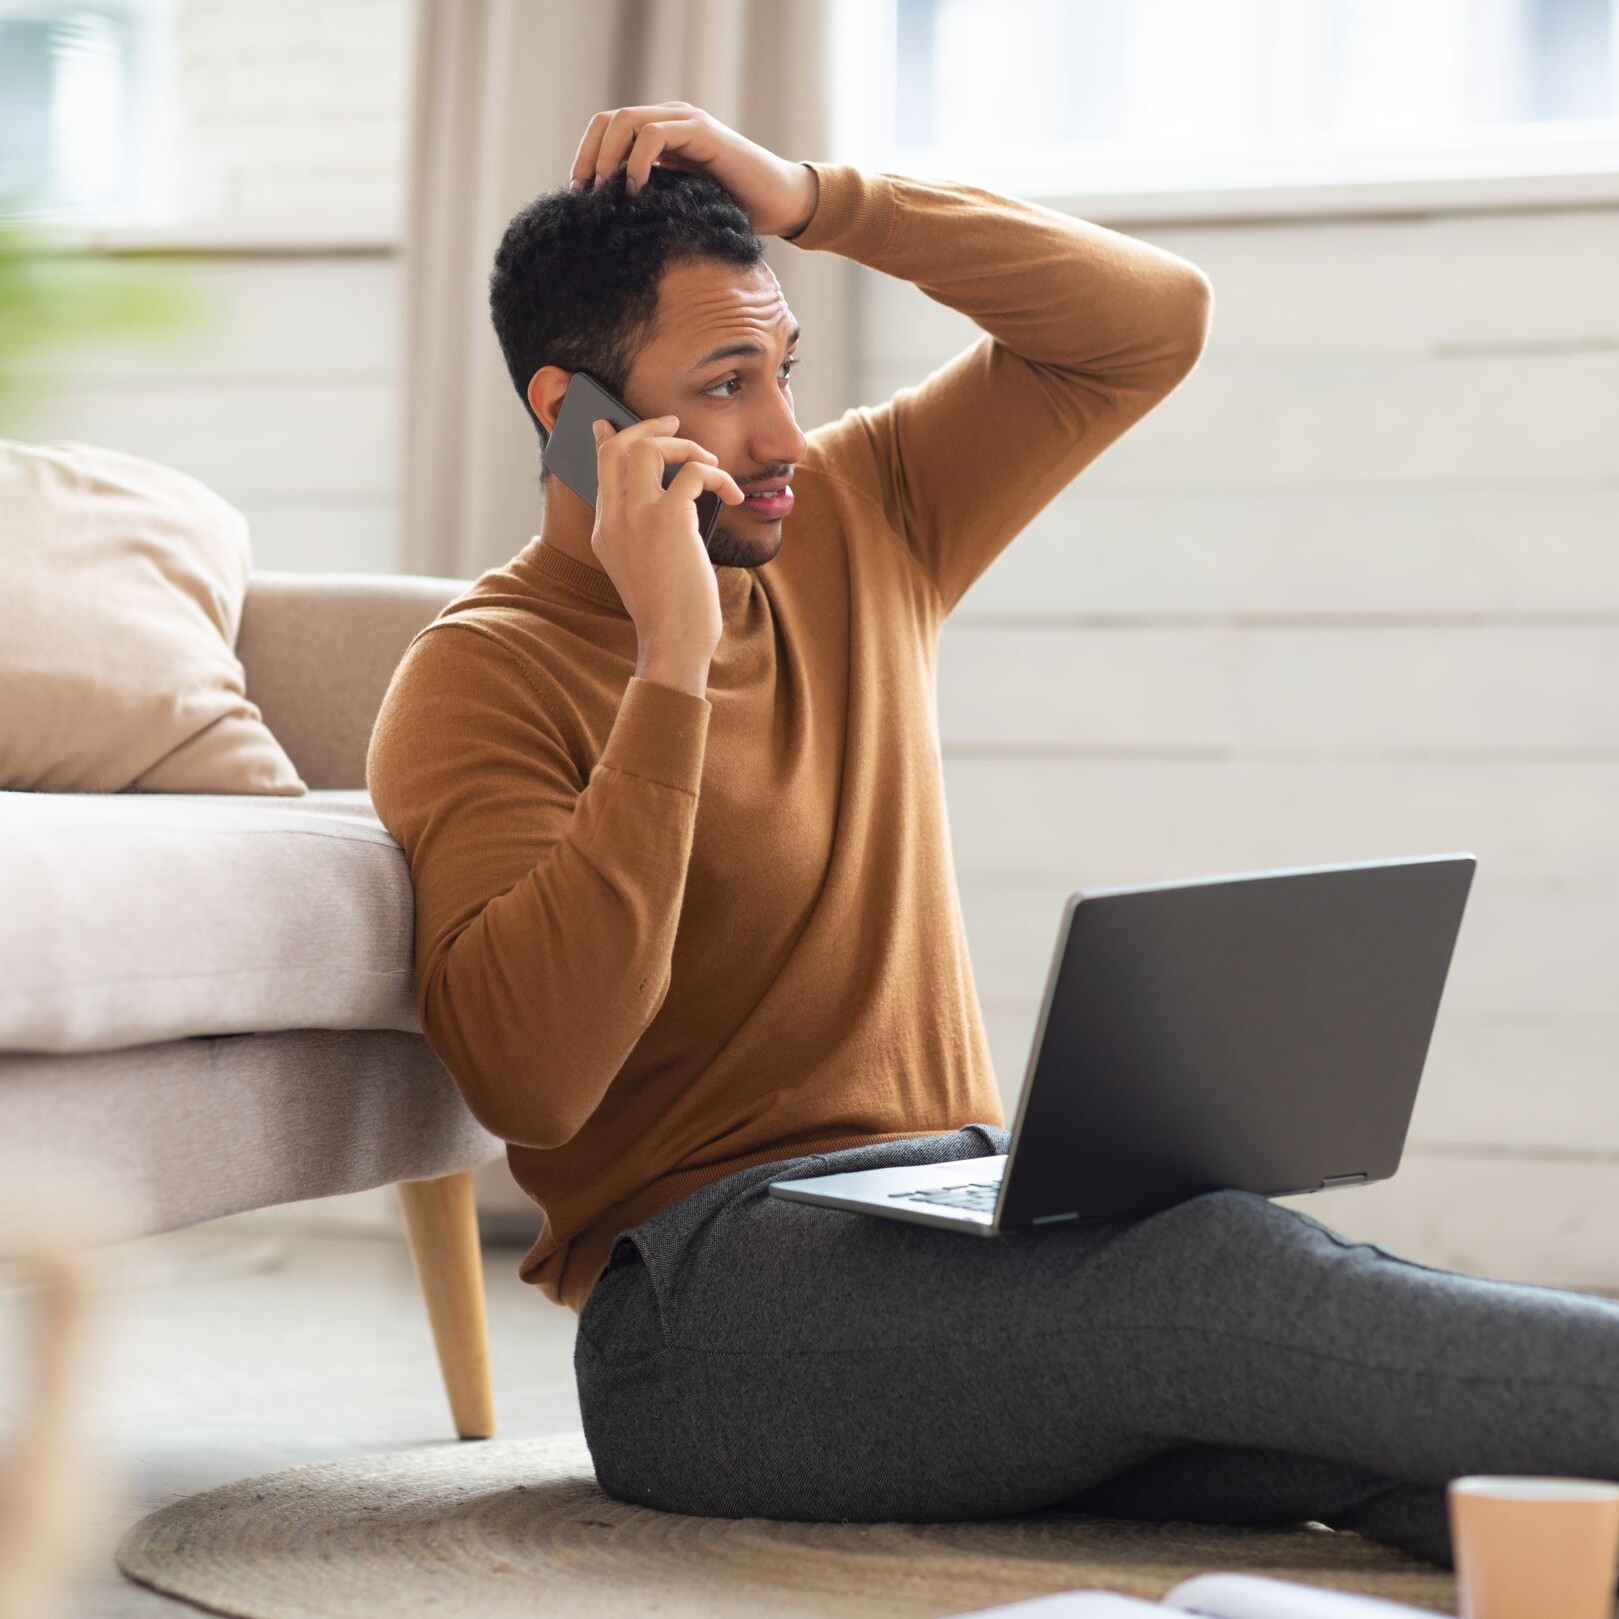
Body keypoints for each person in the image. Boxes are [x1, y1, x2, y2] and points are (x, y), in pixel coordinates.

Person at [365, 103, 1619, 1575]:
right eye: (722, 387)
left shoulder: (858, 517)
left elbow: (1147, 324)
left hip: (963, 1221)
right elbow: (536, 1078)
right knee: (1227, 1281)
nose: (779, 439)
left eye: (782, 374)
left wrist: (823, 199)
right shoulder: (483, 673)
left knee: (1370, 1431)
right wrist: (669, 669)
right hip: (708, 1323)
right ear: (568, 412)